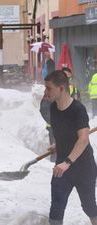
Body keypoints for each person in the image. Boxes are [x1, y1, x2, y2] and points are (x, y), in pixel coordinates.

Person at [44, 70, 97, 225]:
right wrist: (56, 145)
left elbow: (83, 140)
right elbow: (64, 133)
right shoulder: (53, 108)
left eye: (49, 88)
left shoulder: (78, 110)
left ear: (61, 88)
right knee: (56, 207)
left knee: (88, 206)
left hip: (83, 167)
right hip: (62, 166)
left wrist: (67, 162)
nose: (46, 92)